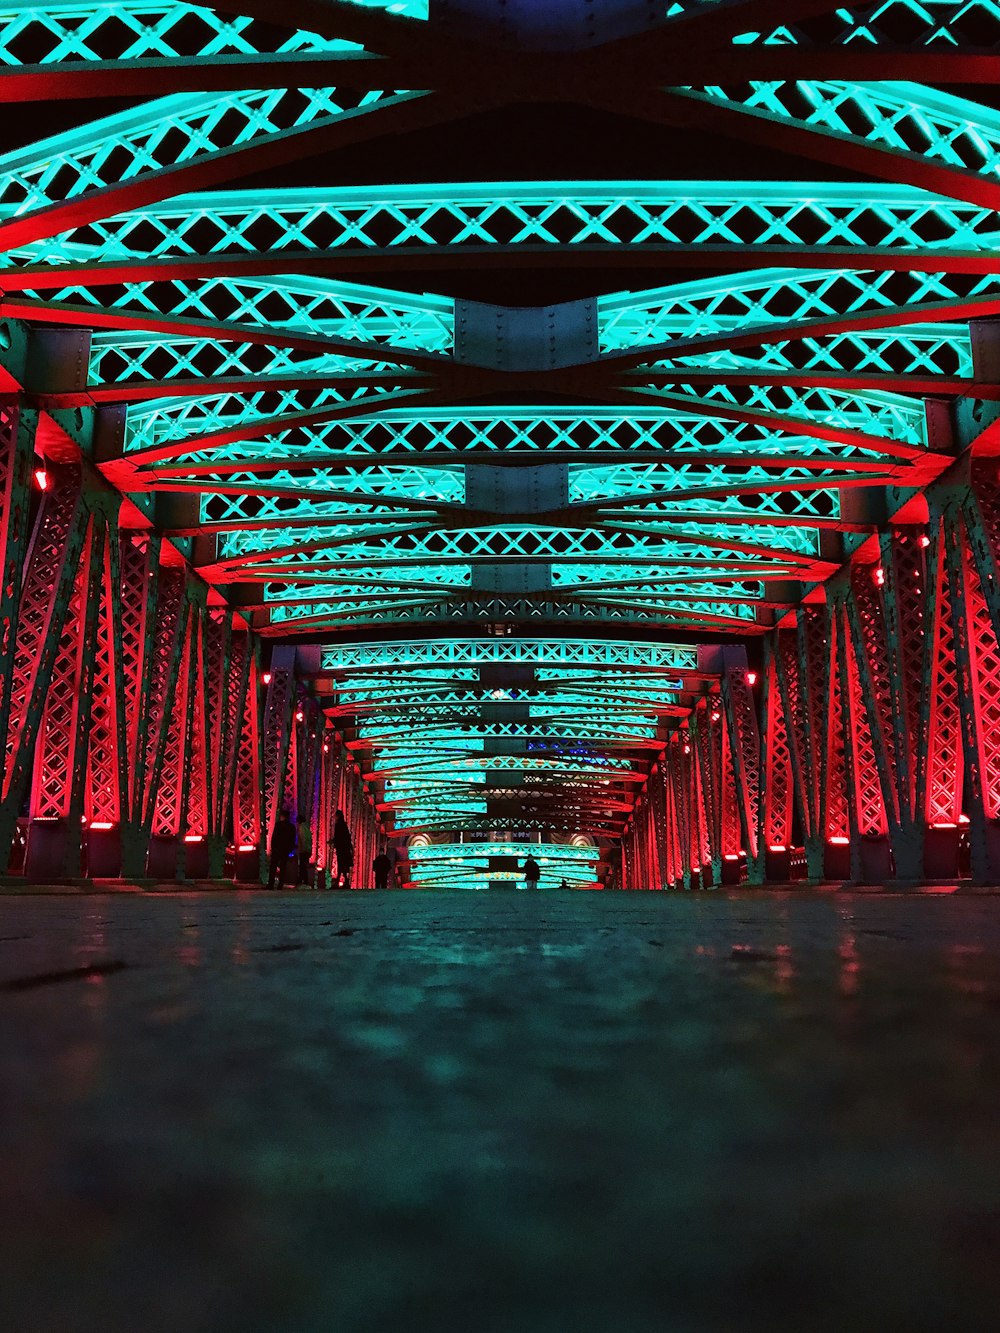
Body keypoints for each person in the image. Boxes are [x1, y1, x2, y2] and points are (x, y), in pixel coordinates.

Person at [268, 809, 296, 891]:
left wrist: (273, 848)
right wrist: (291, 849)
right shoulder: (291, 827)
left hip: (277, 849)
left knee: (273, 867)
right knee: (283, 867)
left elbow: (274, 837)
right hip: (285, 850)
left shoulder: (278, 825)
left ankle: (271, 884)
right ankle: (280, 885)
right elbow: (292, 839)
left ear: (282, 816)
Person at [332, 809, 354, 889]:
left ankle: (339, 882)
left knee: (341, 864)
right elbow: (347, 837)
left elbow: (338, 837)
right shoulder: (344, 825)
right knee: (343, 865)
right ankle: (345, 882)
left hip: (341, 848)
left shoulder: (338, 825)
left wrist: (333, 841)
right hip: (345, 848)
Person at [296, 816, 312, 886]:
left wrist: (302, 848)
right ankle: (302, 880)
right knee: (303, 866)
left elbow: (303, 839)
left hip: (304, 850)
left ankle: (304, 881)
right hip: (307, 850)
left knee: (302, 866)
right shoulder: (307, 828)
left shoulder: (301, 828)